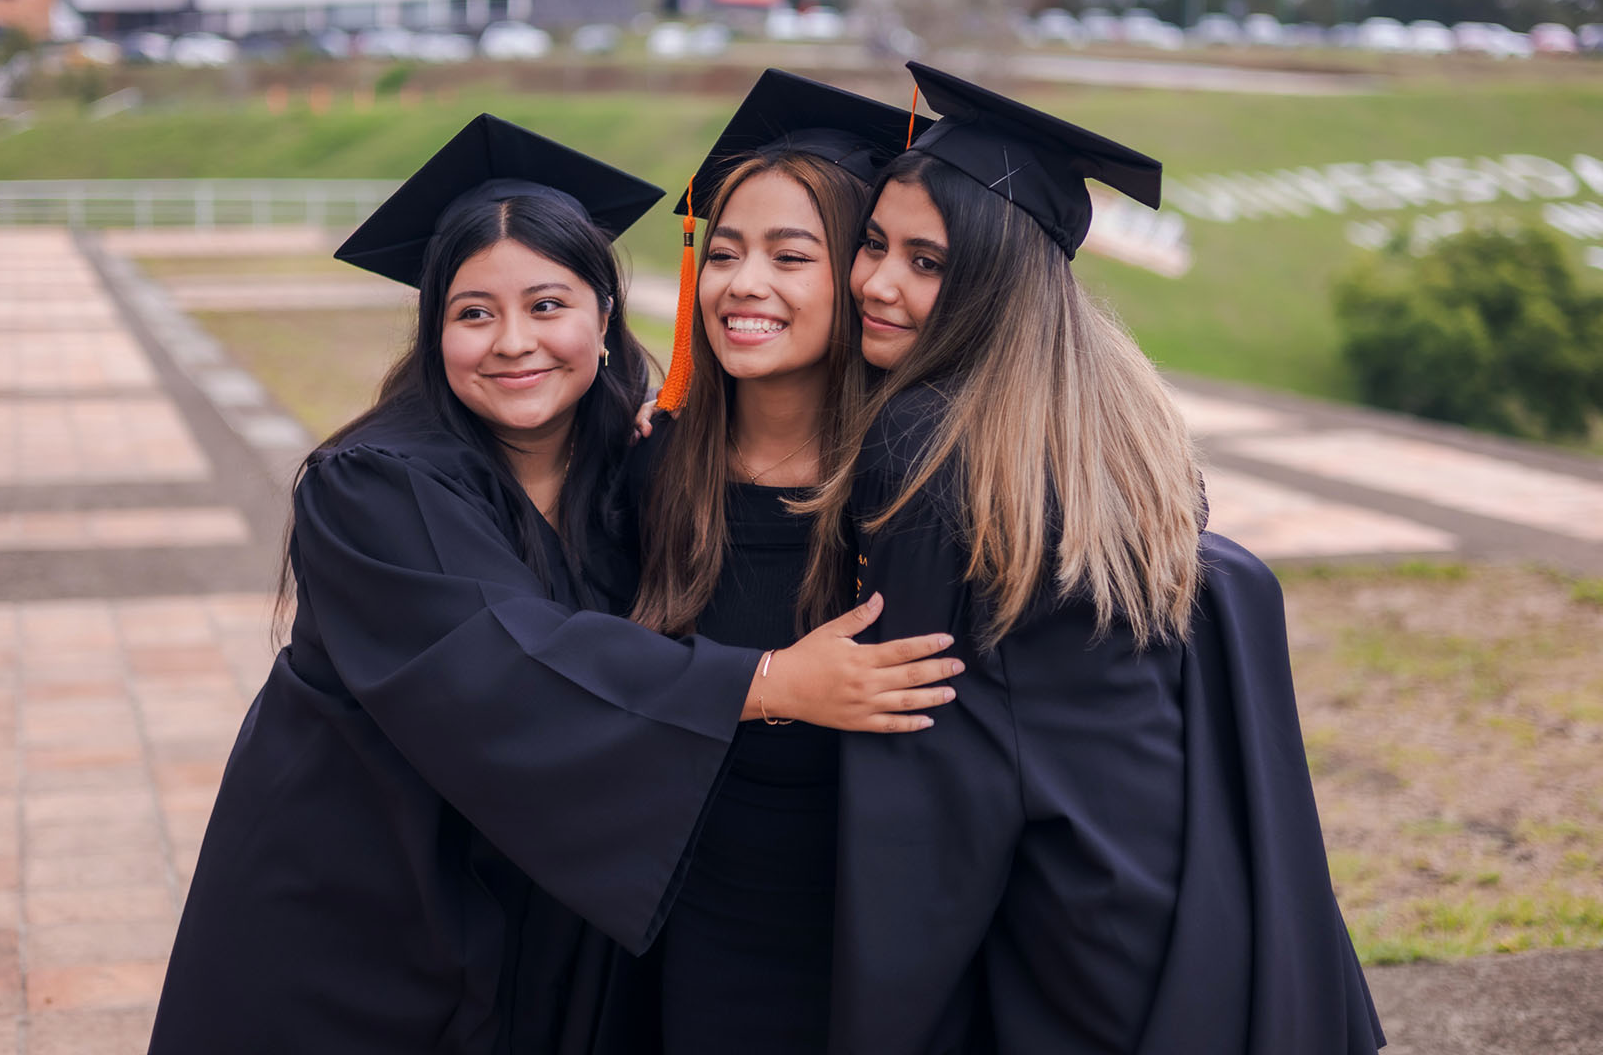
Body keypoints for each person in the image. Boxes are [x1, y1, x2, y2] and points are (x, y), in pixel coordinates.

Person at [146, 114, 960, 1055]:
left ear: (604, 319)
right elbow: (500, 665)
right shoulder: (374, 485)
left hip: (535, 915)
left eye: (547, 305)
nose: (513, 344)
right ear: (434, 329)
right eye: (473, 313)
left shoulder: (632, 467)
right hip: (365, 906)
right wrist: (765, 681)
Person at [803, 63, 1386, 1054]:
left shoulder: (923, 446)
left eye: (927, 262)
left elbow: (925, 776)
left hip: (1067, 925)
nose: (876, 283)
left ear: (993, 276)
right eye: (873, 244)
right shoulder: (1116, 412)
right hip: (1184, 878)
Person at [627, 70, 935, 1053]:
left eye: (788, 255)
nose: (741, 283)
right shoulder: (646, 471)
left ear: (858, 276)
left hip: (880, 928)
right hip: (698, 920)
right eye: (723, 252)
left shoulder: (919, 494)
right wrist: (769, 686)